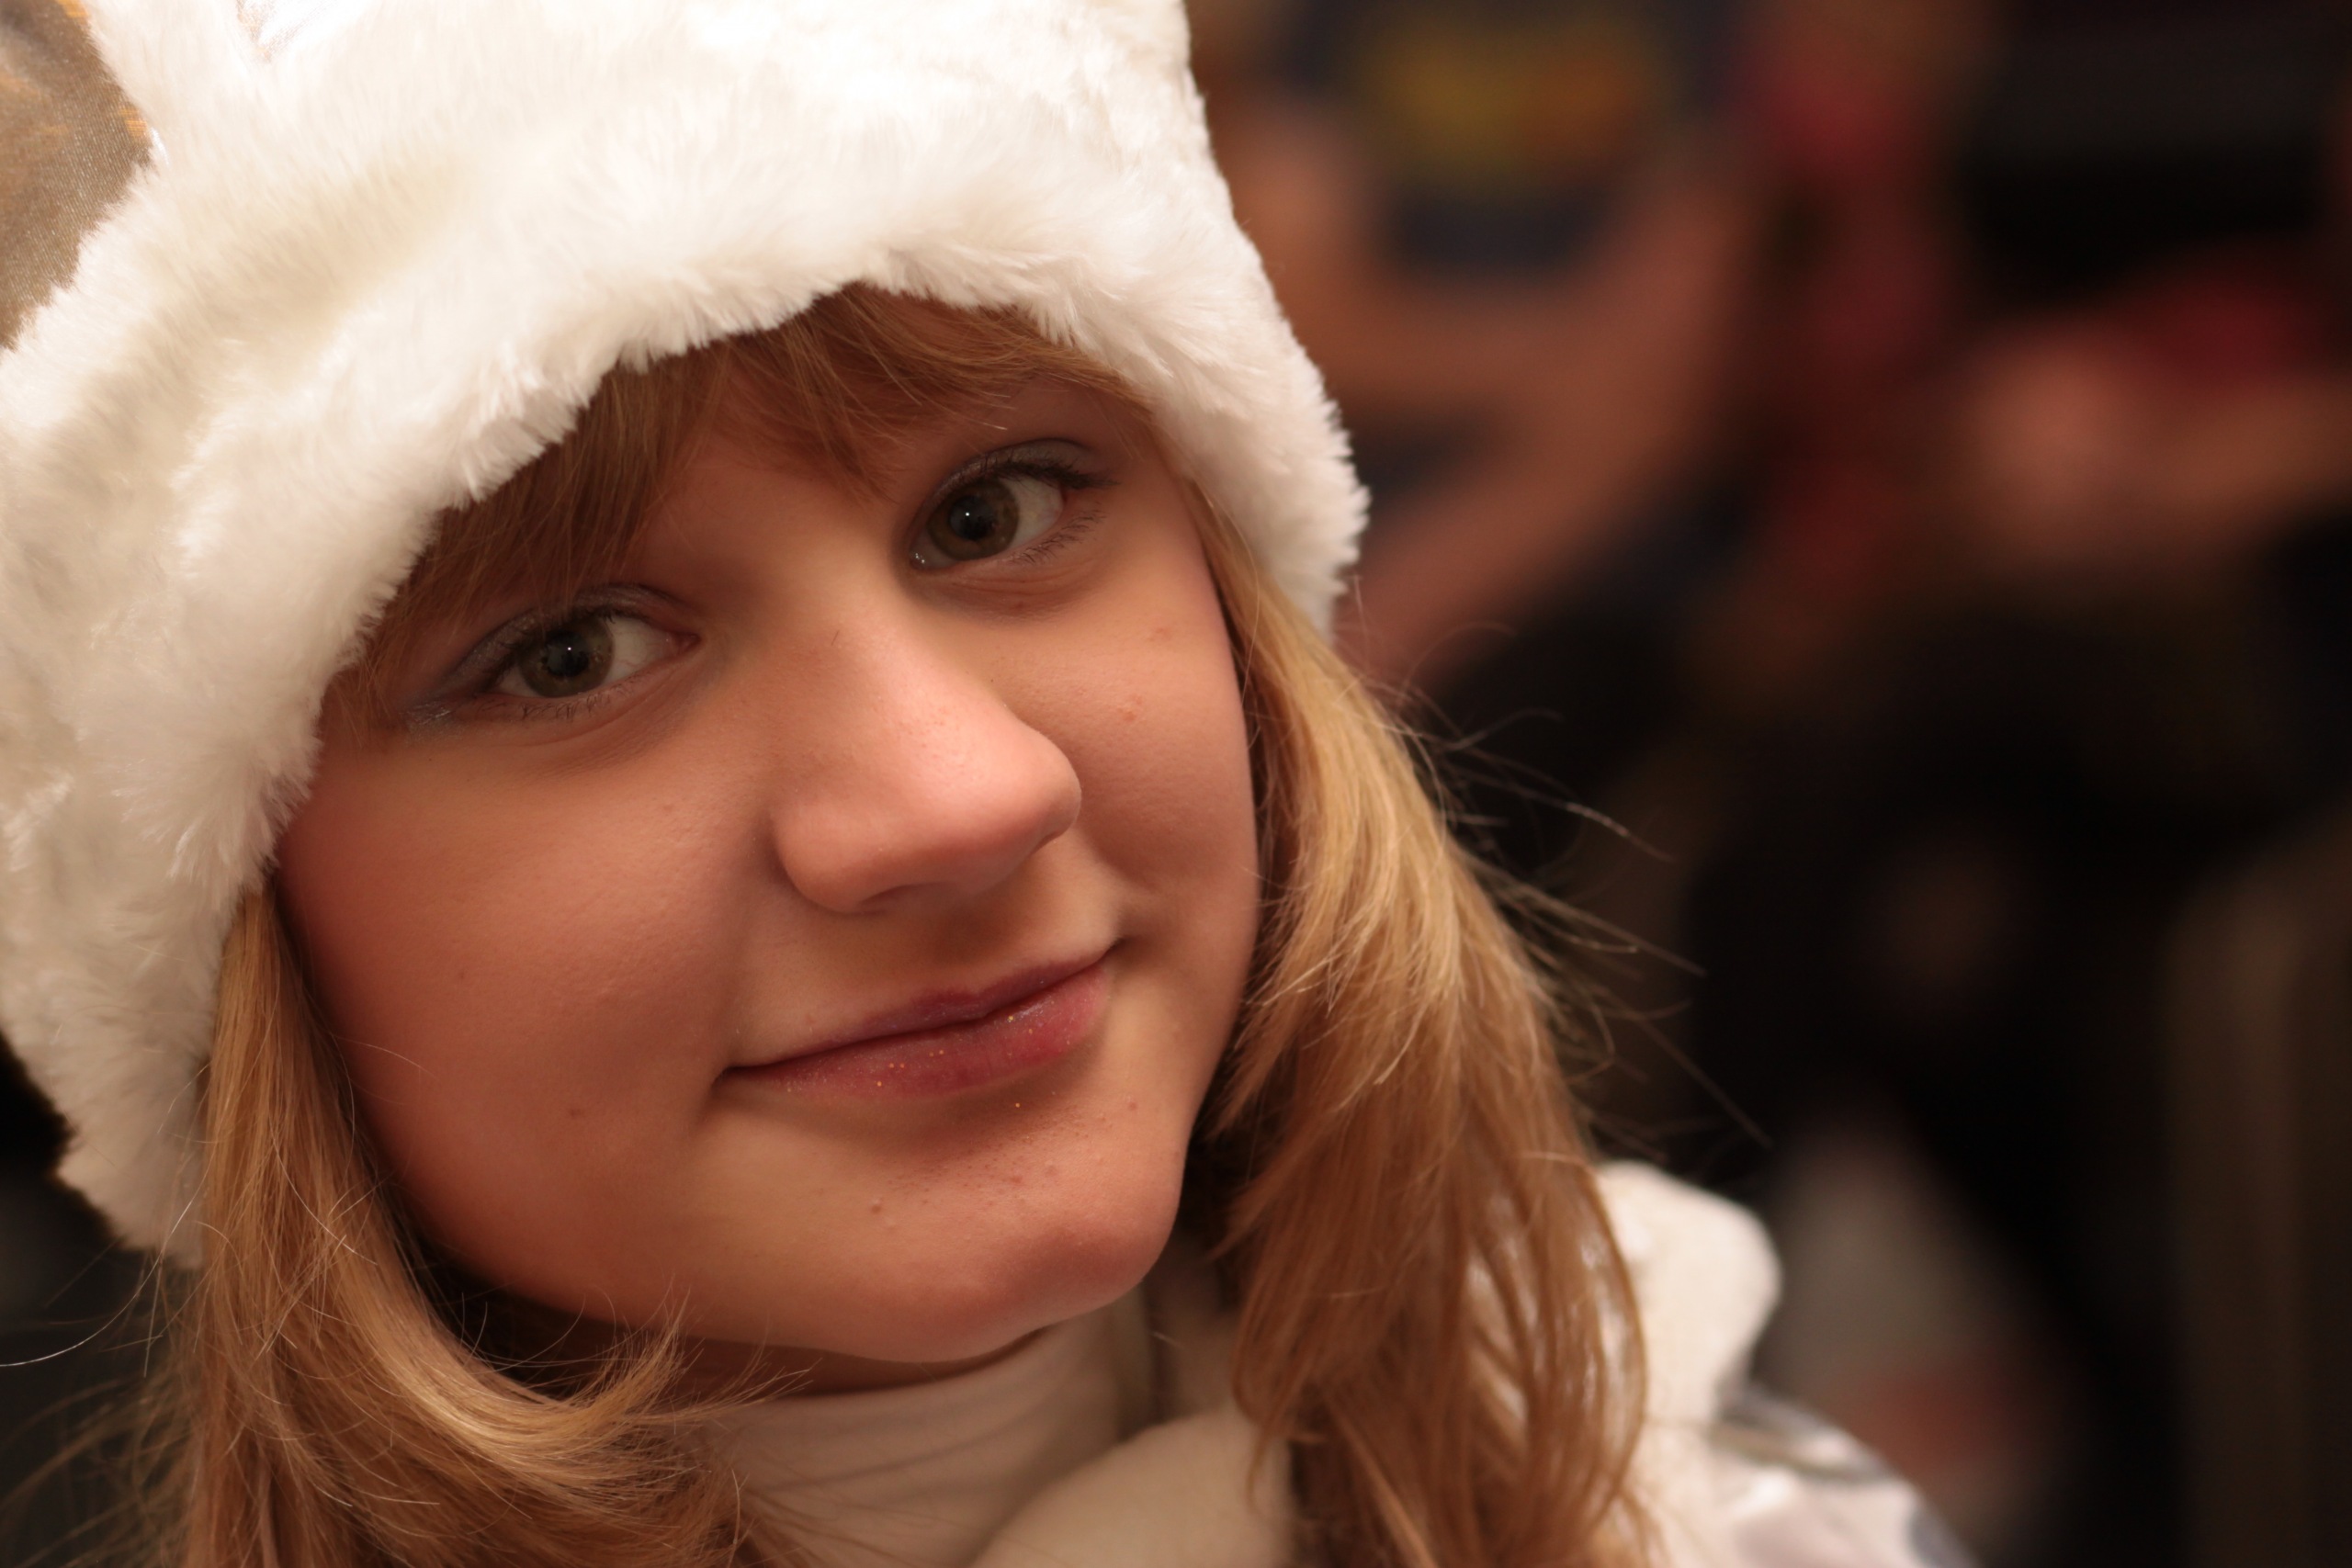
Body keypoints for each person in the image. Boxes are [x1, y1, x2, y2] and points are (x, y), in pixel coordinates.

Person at [0, 2, 1955, 1564]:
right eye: (571, 652)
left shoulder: (1725, 1510)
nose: (954, 797)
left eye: (991, 511)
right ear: (234, 932)